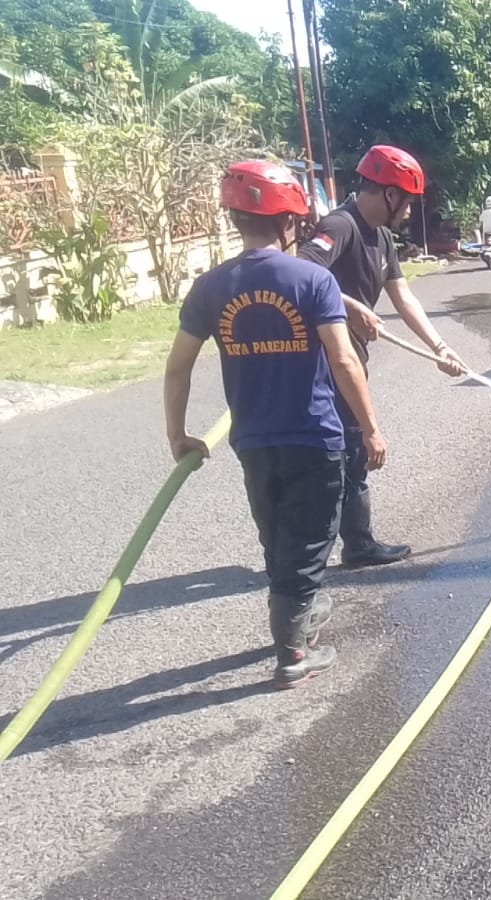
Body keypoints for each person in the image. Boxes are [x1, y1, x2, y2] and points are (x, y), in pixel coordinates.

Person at [164, 160, 387, 688]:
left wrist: (178, 434)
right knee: (310, 542)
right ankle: (291, 655)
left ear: (237, 218)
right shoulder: (312, 280)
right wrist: (371, 427)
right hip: (314, 437)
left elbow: (177, 367)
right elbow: (344, 360)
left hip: (253, 441)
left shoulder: (210, 286)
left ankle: (302, 615)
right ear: (289, 221)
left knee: (280, 536)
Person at [298, 144, 467, 569]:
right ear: (388, 194)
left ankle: (349, 542)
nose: (410, 210)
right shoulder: (340, 225)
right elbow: (301, 274)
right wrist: (351, 307)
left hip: (353, 354)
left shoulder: (382, 237)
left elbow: (403, 296)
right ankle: (350, 546)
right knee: (350, 449)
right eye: (406, 199)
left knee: (352, 447)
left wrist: (439, 348)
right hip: (326, 359)